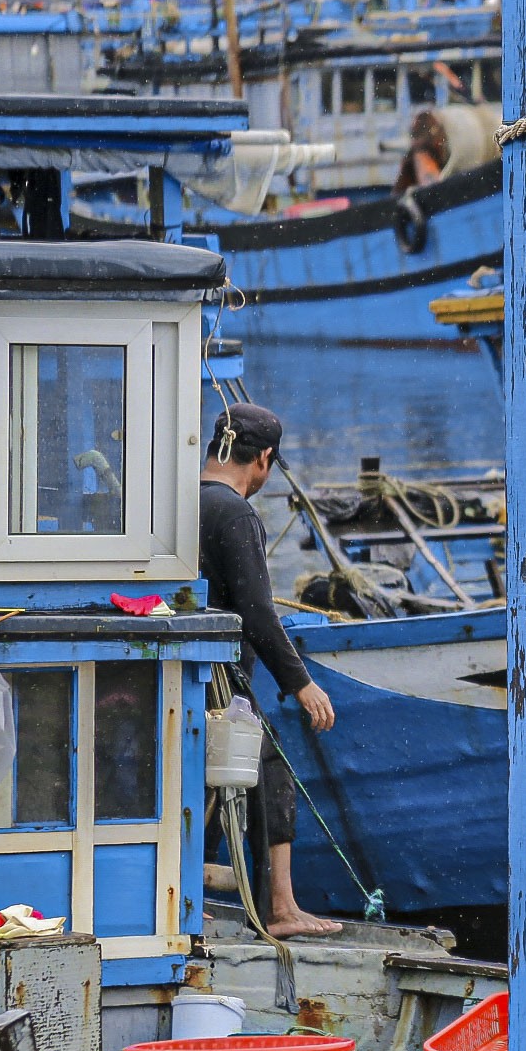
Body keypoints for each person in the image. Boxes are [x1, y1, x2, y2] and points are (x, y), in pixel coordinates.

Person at [199, 402, 340, 938]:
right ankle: (280, 907)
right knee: (268, 765)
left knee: (206, 779)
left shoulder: (180, 501)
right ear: (264, 459)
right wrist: (300, 684)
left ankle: (191, 895)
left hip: (182, 674)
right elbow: (257, 611)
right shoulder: (234, 512)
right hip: (220, 676)